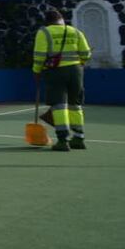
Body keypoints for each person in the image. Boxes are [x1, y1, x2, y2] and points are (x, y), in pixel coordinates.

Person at [32, 8, 91, 152]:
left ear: (47, 22)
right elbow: (86, 54)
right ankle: (79, 138)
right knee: (75, 105)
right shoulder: (75, 31)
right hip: (76, 71)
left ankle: (63, 140)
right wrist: (80, 62)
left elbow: (39, 55)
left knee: (59, 105)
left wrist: (37, 71)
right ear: (61, 19)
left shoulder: (44, 32)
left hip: (55, 72)